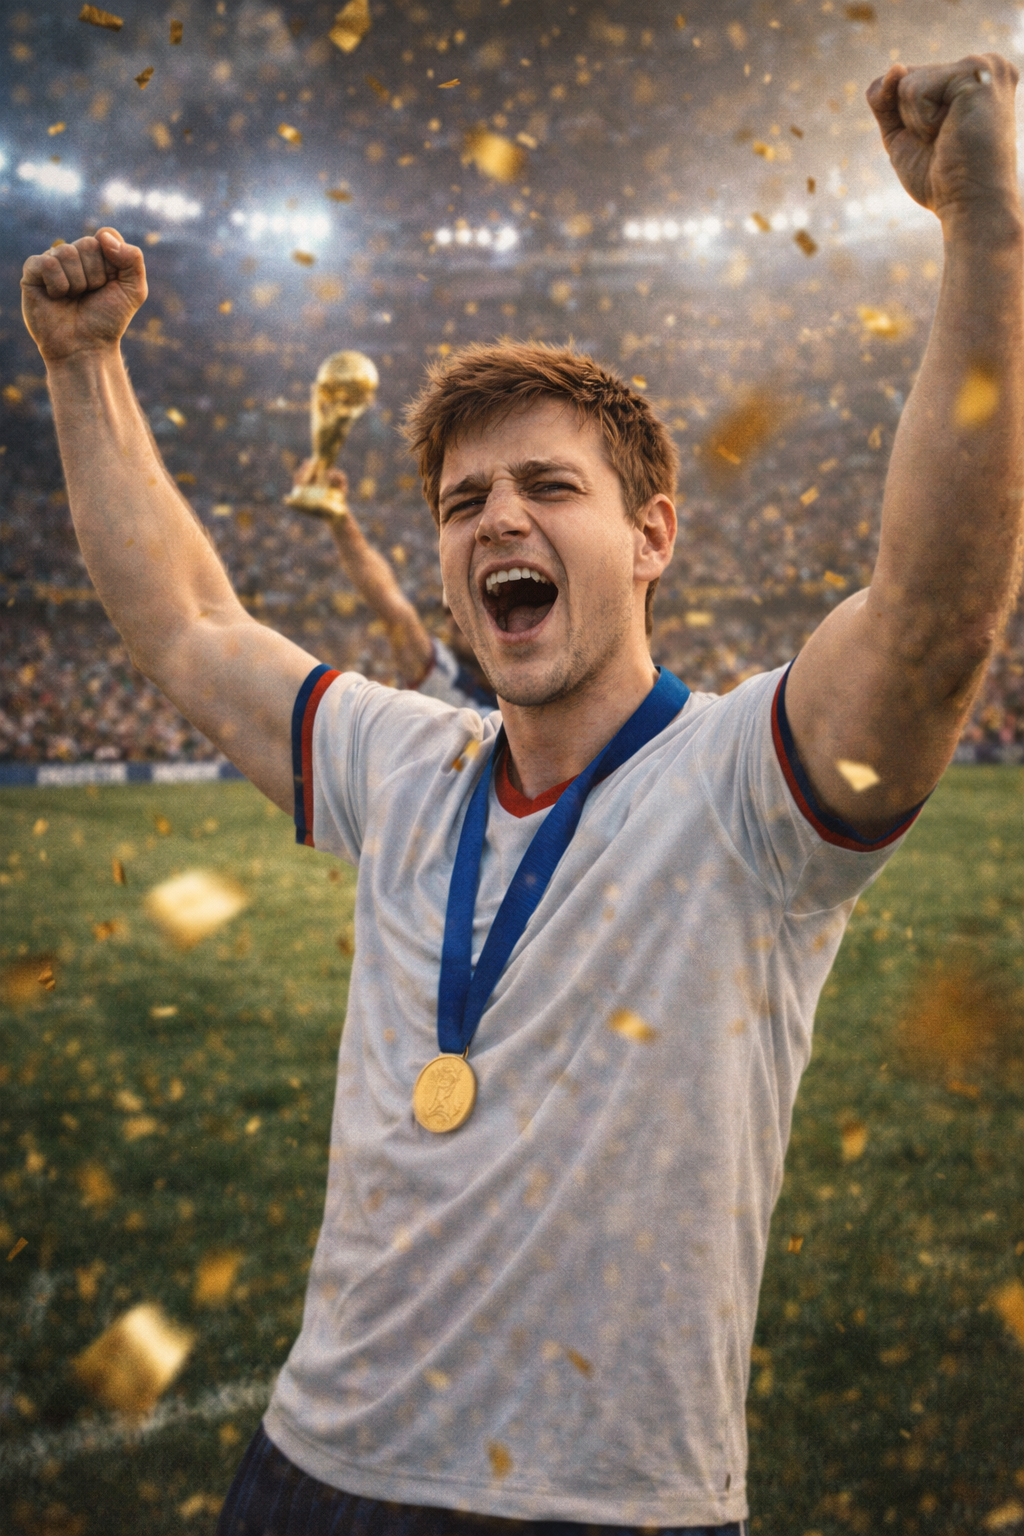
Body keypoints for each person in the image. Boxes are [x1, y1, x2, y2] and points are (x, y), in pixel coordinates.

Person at [20, 55, 1023, 1536]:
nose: (498, 517)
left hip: (604, 1507)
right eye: (463, 503)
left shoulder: (746, 786)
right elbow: (187, 625)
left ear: (652, 537)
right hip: (309, 1475)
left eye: (551, 488)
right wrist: (82, 367)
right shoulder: (403, 763)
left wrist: (986, 235)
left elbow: (934, 620)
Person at [289, 457, 497, 714]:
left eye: (469, 610)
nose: (455, 622)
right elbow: (392, 606)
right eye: (451, 612)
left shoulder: (539, 696)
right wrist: (339, 517)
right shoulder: (443, 683)